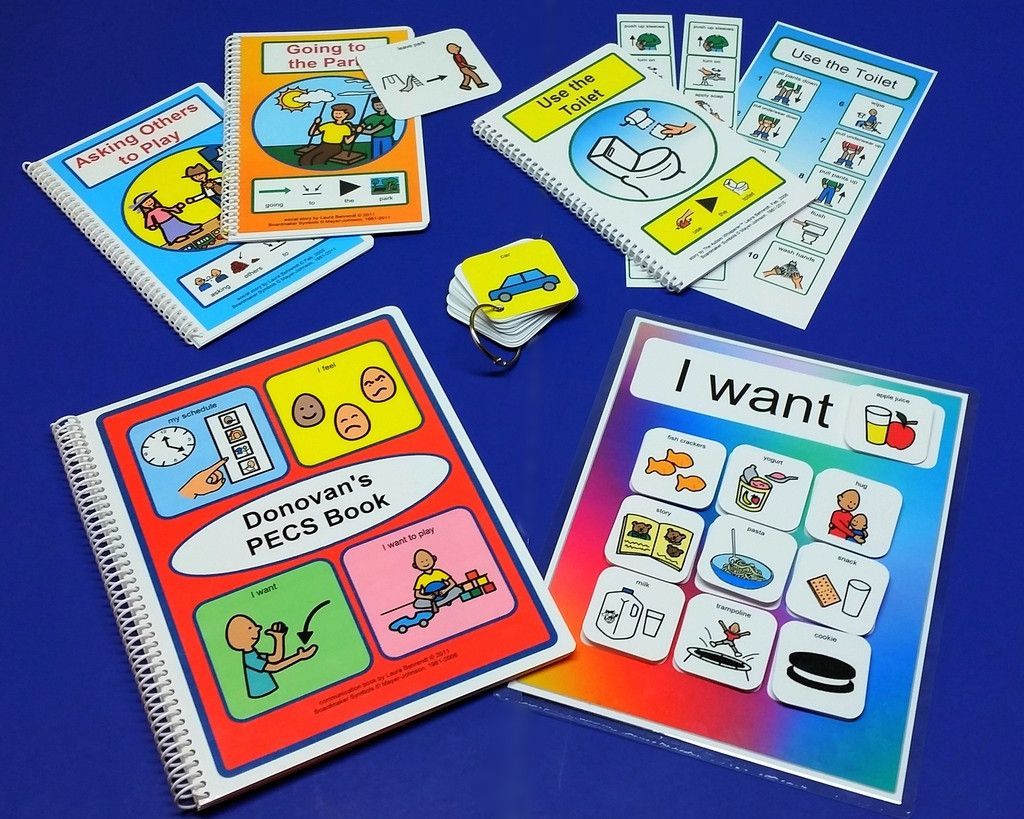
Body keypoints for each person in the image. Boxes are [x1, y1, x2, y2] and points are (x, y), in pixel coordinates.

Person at [225, 615, 317, 699]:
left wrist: (279, 638)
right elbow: (275, 667)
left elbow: (276, 658)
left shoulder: (254, 654)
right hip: (262, 695)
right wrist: (299, 657)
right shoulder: (250, 659)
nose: (257, 629)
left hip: (270, 692)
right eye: (250, 628)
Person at [131, 191, 201, 246]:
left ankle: (190, 230)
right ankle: (176, 238)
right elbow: (149, 221)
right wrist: (152, 226)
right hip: (164, 224)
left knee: (182, 225)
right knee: (171, 232)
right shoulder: (149, 214)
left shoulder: (160, 208)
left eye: (149, 200)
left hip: (173, 219)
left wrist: (177, 207)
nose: (149, 203)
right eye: (146, 202)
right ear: (142, 206)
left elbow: (169, 209)